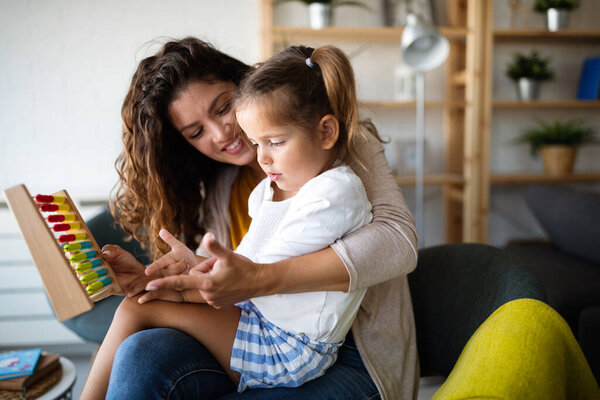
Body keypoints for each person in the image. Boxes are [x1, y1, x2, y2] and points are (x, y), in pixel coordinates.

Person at [92, 37, 418, 400]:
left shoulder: (341, 146)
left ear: (243, 85)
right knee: (142, 352)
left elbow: (398, 244)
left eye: (223, 107)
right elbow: (234, 287)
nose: (221, 133)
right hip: (262, 332)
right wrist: (162, 278)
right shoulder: (226, 186)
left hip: (355, 356)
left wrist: (259, 279)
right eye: (196, 132)